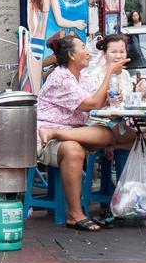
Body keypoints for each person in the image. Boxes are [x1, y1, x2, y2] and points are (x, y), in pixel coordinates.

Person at [36, 33, 140, 232]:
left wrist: (112, 92)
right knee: (74, 150)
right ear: (72, 55)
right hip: (43, 135)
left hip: (73, 131)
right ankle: (75, 214)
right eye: (83, 47)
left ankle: (56, 132)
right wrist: (109, 71)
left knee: (120, 134)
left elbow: (99, 100)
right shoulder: (61, 77)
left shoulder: (82, 76)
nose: (88, 52)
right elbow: (91, 103)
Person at [25, 0, 86, 93]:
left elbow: (29, 20)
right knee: (39, 88)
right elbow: (60, 21)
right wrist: (76, 24)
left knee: (34, 89)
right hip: (40, 42)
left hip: (32, 42)